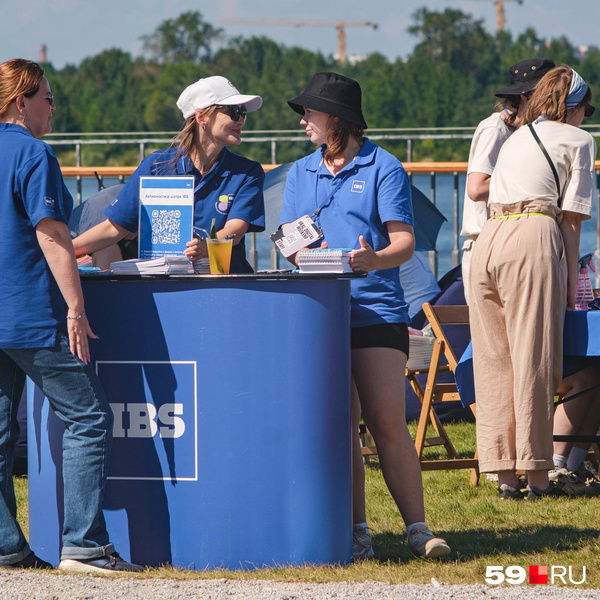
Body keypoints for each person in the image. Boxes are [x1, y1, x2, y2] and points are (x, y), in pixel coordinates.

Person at [280, 72, 451, 559]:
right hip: (318, 313)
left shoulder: (384, 166)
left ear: (337, 118)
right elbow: (288, 241)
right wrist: (306, 256)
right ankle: (359, 535)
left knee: (386, 422)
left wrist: (373, 259)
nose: (303, 121)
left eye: (310, 112)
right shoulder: (300, 172)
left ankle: (418, 530)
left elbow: (404, 244)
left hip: (376, 309)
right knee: (343, 427)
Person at [0, 58, 142, 572]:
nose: (53, 107)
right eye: (48, 98)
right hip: (30, 314)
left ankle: (6, 546)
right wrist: (76, 309)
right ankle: (84, 543)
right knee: (89, 417)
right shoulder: (33, 154)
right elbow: (53, 235)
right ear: (22, 102)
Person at [469, 66, 596, 500]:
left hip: (489, 239)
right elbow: (572, 221)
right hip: (533, 232)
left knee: (495, 363)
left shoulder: (516, 136)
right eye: (587, 110)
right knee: (535, 361)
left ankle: (504, 475)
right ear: (574, 107)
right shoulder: (579, 140)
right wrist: (570, 285)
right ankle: (539, 477)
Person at [73, 76, 265, 273]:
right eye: (233, 112)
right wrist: (64, 250)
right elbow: (113, 228)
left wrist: (206, 247)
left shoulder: (248, 173)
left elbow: (235, 232)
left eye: (243, 113)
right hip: (166, 284)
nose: (241, 120)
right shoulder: (156, 166)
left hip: (227, 283)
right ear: (201, 117)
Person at [461, 58, 555, 304]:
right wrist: (525, 177)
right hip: (485, 244)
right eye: (547, 96)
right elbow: (476, 188)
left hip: (504, 243)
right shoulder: (495, 128)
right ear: (525, 98)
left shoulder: (517, 131)